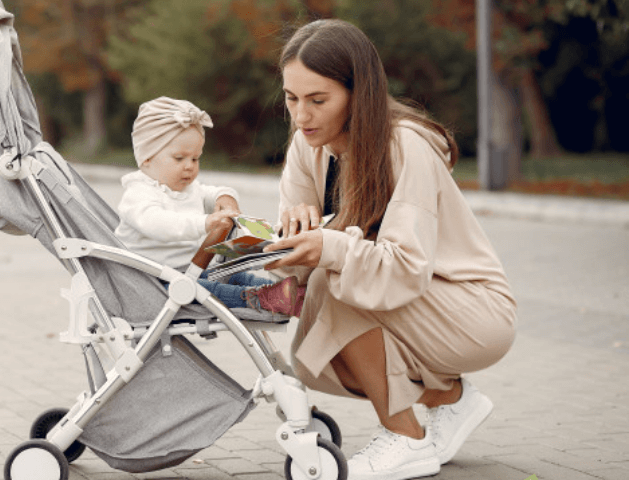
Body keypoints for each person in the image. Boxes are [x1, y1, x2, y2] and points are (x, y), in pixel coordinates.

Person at [262, 19, 517, 480]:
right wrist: (279, 250)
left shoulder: (405, 147)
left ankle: (406, 438)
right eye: (291, 98)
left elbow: (404, 268)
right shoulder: (308, 145)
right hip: (415, 303)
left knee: (334, 282)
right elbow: (301, 242)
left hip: (473, 310)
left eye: (318, 100)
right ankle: (451, 401)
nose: (301, 116)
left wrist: (327, 248)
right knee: (318, 324)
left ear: (358, 94)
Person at [115, 96, 301, 316]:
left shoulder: (185, 187)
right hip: (153, 280)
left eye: (195, 159)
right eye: (179, 158)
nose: (189, 167)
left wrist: (225, 197)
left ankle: (283, 293)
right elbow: (158, 223)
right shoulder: (139, 194)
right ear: (146, 158)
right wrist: (203, 223)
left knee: (231, 273)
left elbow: (209, 192)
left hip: (189, 270)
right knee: (206, 289)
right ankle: (256, 298)